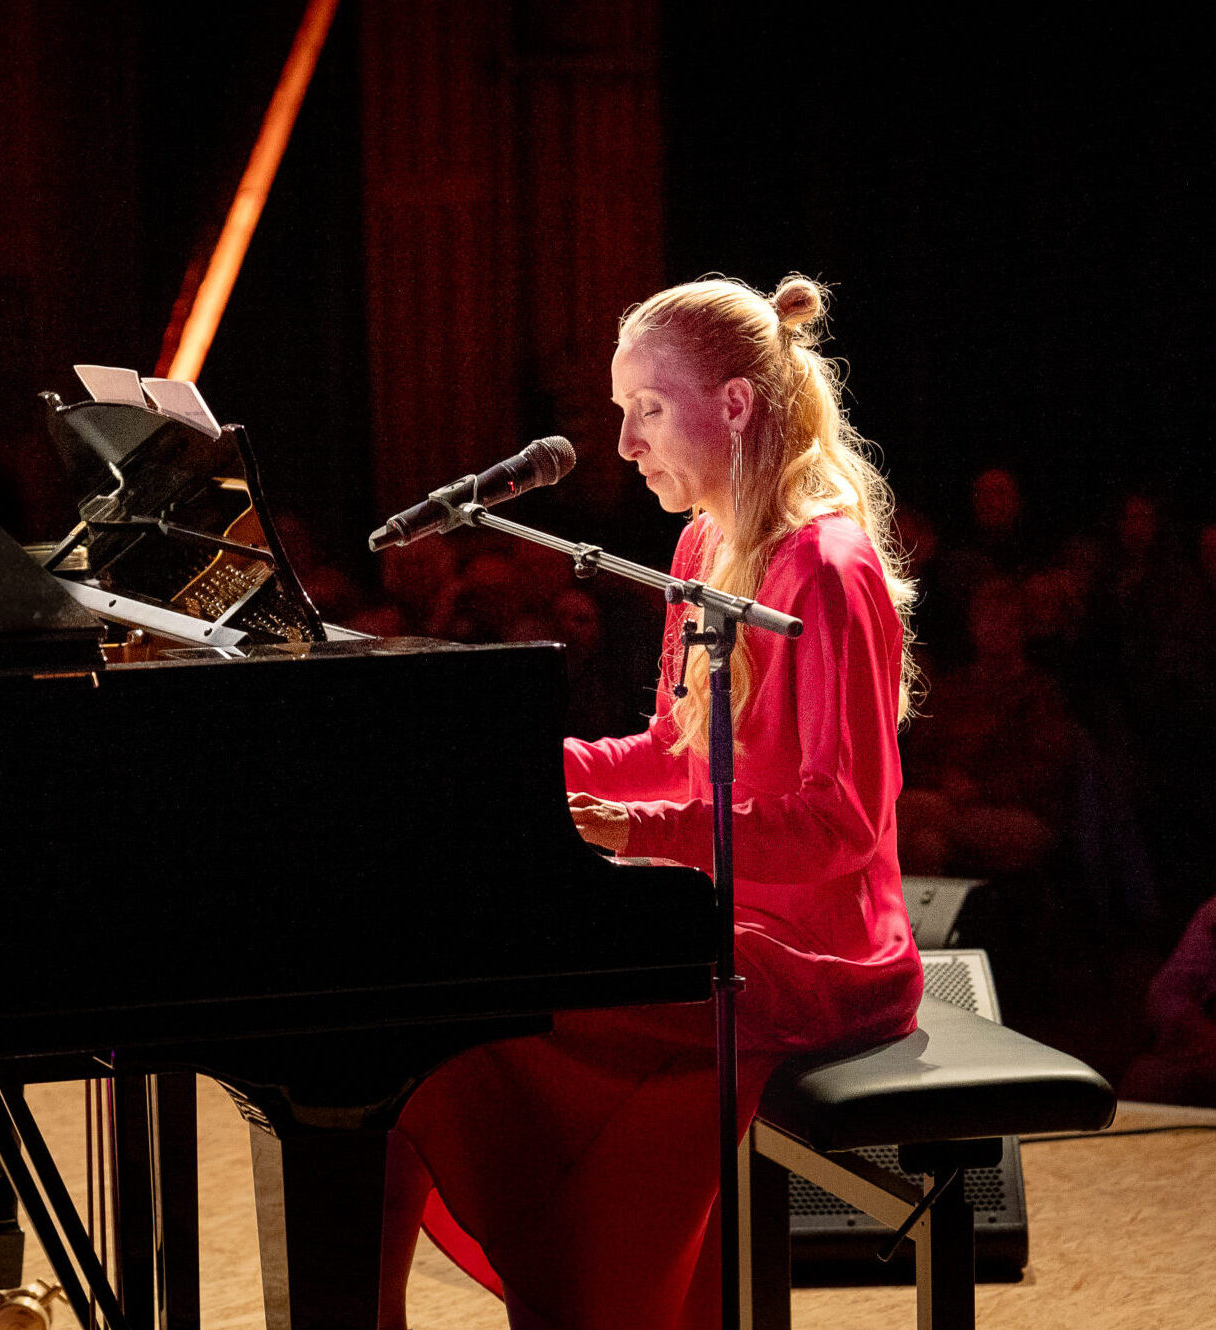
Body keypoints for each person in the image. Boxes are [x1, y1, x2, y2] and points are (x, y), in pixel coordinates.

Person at [382, 275, 925, 1330]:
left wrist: (633, 833)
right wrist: (517, 764)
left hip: (820, 953)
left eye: (646, 410)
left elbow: (840, 826)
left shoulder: (827, 564)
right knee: (427, 1025)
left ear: (733, 406)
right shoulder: (699, 546)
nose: (624, 445)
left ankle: (603, 1296)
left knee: (496, 1004)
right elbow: (674, 755)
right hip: (716, 905)